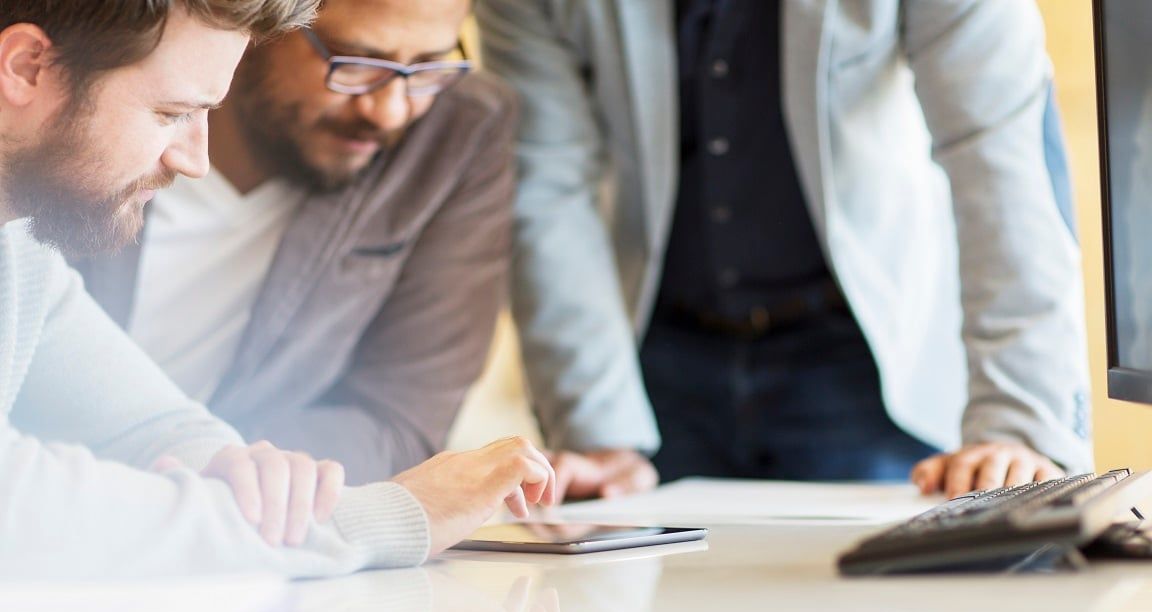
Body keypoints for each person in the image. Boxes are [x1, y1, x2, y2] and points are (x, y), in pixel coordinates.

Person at [0, 0, 555, 579]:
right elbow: (19, 508)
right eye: (171, 114)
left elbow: (147, 424)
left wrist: (248, 475)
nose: (195, 160)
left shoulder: (20, 242)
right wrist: (379, 519)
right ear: (27, 67)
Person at [477, 0, 1094, 499]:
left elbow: (1000, 154)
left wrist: (1018, 425)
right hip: (650, 370)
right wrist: (595, 428)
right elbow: (545, 186)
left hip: (859, 367)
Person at [78, 0, 517, 486]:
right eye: (353, 60)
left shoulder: (458, 134)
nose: (390, 111)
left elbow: (398, 421)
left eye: (428, 67)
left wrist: (205, 478)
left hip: (240, 529)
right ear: (258, 19)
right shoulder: (101, 86)